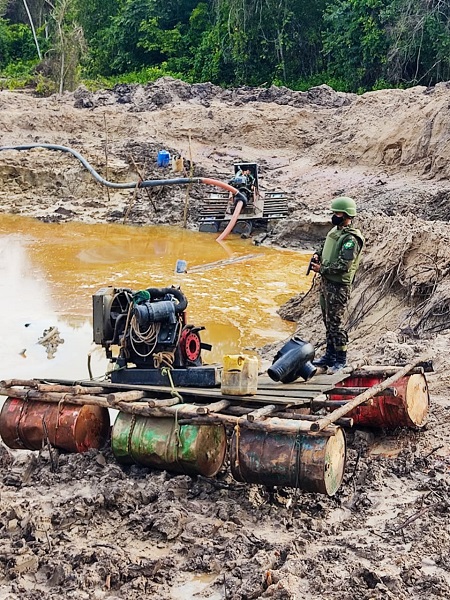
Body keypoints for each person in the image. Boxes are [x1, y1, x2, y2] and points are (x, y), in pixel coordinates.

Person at [309, 196, 364, 372]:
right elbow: (326, 247)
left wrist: (322, 268)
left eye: (337, 213)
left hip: (338, 287)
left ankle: (341, 359)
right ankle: (329, 355)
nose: (334, 215)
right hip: (326, 284)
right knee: (328, 321)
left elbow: (344, 266)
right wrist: (318, 254)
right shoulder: (336, 231)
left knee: (337, 324)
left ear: (347, 214)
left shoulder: (351, 239)